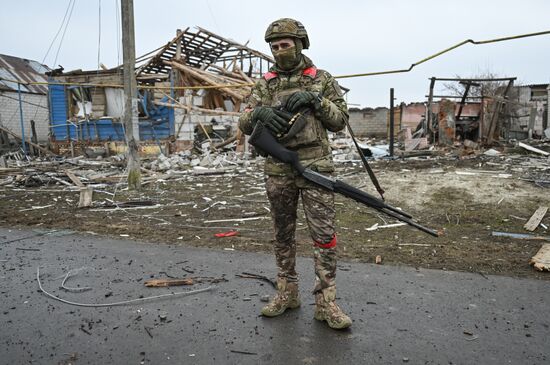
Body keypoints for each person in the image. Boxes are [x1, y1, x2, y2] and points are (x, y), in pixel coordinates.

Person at [238, 18, 351, 330]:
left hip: (316, 168)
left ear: (300, 44)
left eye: (284, 45)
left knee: (324, 237)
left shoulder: (322, 79)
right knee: (283, 235)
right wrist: (257, 113)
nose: (279, 51)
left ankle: (326, 303)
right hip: (278, 169)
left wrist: (316, 100)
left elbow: (340, 120)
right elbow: (244, 122)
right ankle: (286, 294)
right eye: (274, 47)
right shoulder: (265, 84)